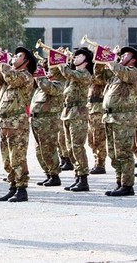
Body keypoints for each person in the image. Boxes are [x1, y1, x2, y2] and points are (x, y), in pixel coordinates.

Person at [0, 47, 36, 202]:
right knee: (6, 158)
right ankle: (12, 186)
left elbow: (10, 77)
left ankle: (21, 189)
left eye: (19, 56)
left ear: (26, 62)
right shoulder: (10, 74)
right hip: (5, 122)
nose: (15, 57)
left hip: (17, 122)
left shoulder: (25, 76)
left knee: (17, 157)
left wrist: (2, 61)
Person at [100, 46, 137, 196]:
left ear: (133, 60)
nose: (122, 56)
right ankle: (119, 182)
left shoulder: (133, 72)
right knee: (113, 153)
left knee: (123, 152)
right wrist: (100, 58)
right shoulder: (115, 75)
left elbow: (121, 71)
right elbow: (99, 76)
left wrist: (110, 58)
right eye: (122, 55)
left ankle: (127, 185)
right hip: (110, 117)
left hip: (123, 118)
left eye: (125, 55)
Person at [58, 48, 93, 192]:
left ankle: (83, 178)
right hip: (68, 112)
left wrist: (59, 59)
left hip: (78, 113)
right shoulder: (73, 75)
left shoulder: (84, 74)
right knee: (70, 147)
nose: (75, 57)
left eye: (79, 55)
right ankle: (77, 176)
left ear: (86, 60)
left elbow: (67, 72)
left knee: (77, 146)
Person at [30, 60, 64, 187]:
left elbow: (48, 87)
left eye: (50, 70)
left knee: (48, 149)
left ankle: (55, 175)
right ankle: (48, 173)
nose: (48, 72)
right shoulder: (41, 86)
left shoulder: (57, 84)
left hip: (48, 122)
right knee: (40, 150)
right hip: (37, 121)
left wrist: (40, 75)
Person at [87, 63, 108, 174]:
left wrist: (99, 61)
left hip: (99, 111)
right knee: (91, 140)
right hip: (91, 110)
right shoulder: (89, 75)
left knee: (99, 139)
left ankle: (100, 163)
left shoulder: (101, 76)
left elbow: (99, 77)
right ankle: (96, 161)